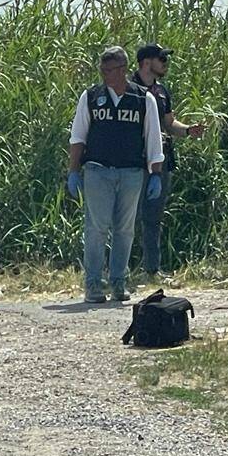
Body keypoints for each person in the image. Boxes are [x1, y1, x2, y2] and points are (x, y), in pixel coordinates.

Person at [67, 46, 164, 303]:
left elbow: (153, 139)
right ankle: (93, 284)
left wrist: (155, 173)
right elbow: (78, 135)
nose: (105, 75)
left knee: (124, 229)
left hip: (132, 172)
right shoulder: (91, 97)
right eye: (102, 70)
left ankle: (119, 282)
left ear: (122, 70)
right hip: (98, 171)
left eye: (109, 70)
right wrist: (73, 170)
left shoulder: (143, 99)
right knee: (96, 228)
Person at [132, 43, 206, 278]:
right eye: (161, 58)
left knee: (153, 217)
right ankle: (120, 268)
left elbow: (169, 123)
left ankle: (152, 269)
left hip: (161, 160)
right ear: (146, 62)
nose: (166, 63)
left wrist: (187, 131)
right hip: (134, 160)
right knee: (127, 217)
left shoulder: (162, 91)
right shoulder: (129, 89)